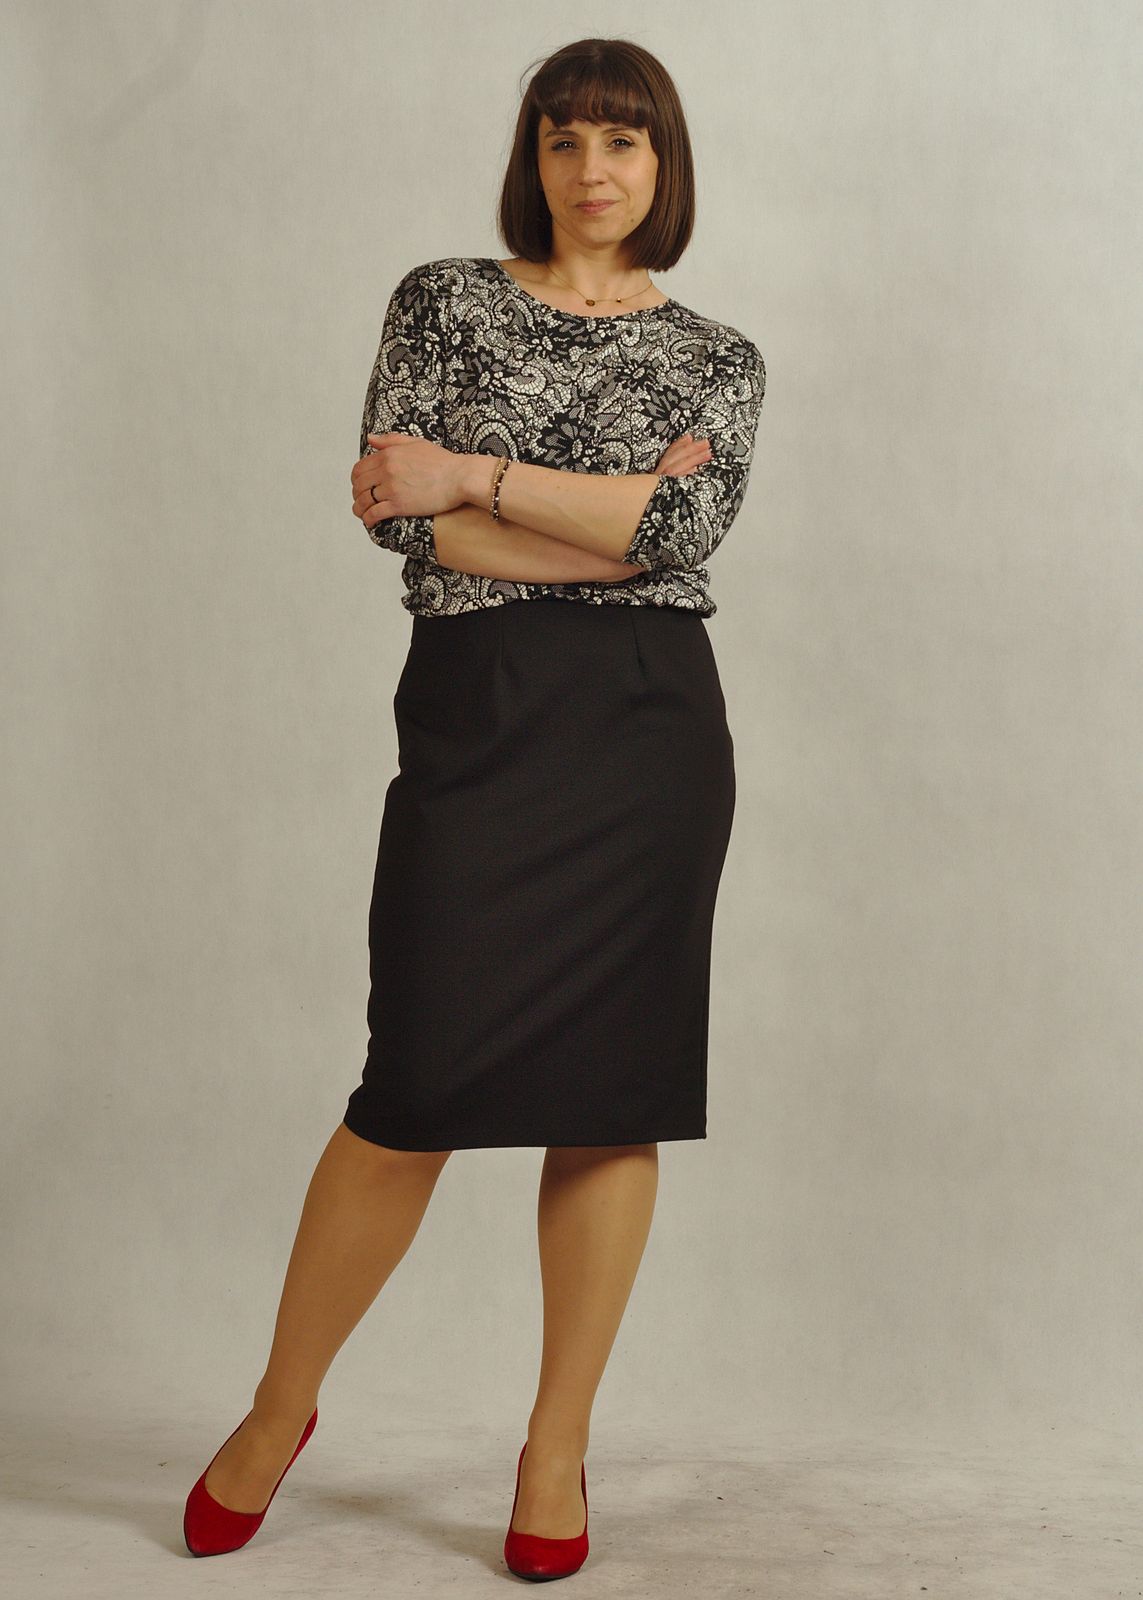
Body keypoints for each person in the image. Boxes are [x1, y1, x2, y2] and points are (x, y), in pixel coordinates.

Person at [182, 35, 766, 1582]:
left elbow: (685, 532)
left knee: (614, 1094)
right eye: (565, 139)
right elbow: (403, 523)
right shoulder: (442, 299)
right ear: (534, 157)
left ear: (664, 163)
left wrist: (478, 477)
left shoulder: (720, 356)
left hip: (649, 733)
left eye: (623, 142)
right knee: (414, 1085)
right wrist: (598, 523)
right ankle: (279, 1409)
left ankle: (555, 1448)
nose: (592, 169)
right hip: (479, 712)